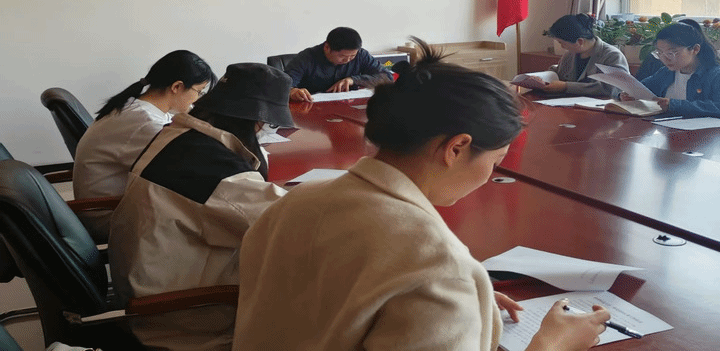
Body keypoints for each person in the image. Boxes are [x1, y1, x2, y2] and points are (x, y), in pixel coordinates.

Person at [233, 40, 610, 351]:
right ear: (457, 148)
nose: (490, 175)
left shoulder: (294, 203)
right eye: (496, 160)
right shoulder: (436, 266)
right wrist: (551, 344)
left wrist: (454, 307)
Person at [108, 63, 294, 351]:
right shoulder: (218, 172)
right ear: (254, 122)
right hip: (182, 317)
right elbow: (292, 224)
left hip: (151, 285)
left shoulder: (179, 136)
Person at [72, 49, 214, 243]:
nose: (198, 99)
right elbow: (185, 166)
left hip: (107, 206)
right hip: (108, 216)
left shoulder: (136, 107)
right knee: (210, 220)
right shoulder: (145, 122)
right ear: (177, 87)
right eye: (199, 91)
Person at [620, 19, 720, 119]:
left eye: (672, 53)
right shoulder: (666, 73)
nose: (665, 58)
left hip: (703, 136)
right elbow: (641, 88)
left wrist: (675, 105)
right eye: (660, 53)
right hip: (669, 131)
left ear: (695, 49)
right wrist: (629, 95)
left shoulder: (717, 74)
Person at [284, 26, 393, 101]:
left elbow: (387, 78)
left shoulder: (361, 55)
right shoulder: (306, 58)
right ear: (327, 47)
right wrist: (293, 91)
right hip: (311, 109)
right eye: (342, 56)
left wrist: (353, 80)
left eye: (352, 56)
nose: (348, 60)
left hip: (347, 107)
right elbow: (284, 85)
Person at [539, 13, 629, 96]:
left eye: (562, 43)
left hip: (601, 106)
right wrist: (541, 78)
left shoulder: (612, 56)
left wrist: (566, 86)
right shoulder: (569, 55)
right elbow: (558, 73)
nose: (562, 47)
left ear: (580, 42)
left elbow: (611, 89)